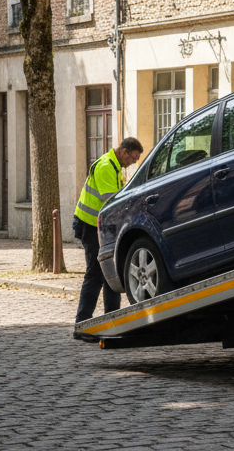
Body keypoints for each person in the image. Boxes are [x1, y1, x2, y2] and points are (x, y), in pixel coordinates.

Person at [73, 136, 143, 332]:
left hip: (101, 226)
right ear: (124, 152)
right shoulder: (106, 166)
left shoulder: (114, 166)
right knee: (95, 274)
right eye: (133, 158)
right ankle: (82, 324)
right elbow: (109, 201)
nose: (134, 162)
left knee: (111, 273)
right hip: (90, 225)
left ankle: (113, 320)